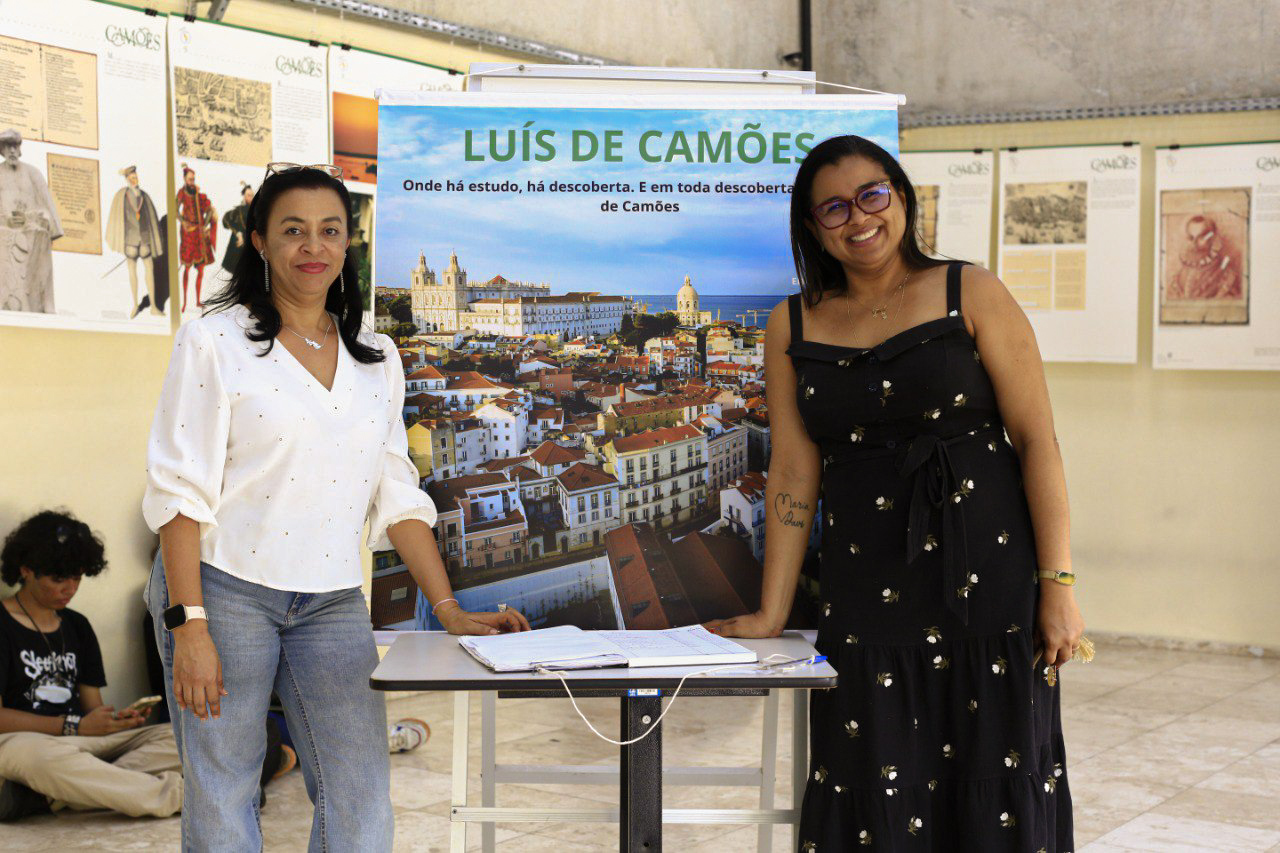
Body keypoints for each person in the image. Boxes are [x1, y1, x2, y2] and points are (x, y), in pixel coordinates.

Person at [705, 135, 1084, 850]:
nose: (859, 218)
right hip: (864, 590)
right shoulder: (792, 322)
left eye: (872, 194)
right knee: (870, 783)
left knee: (995, 780)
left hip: (986, 586)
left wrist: (1058, 582)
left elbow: (1038, 441)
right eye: (834, 207)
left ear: (901, 197)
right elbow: (791, 471)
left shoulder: (969, 289)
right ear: (812, 225)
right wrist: (770, 611)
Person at [143, 162, 530, 852]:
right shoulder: (215, 340)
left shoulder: (377, 356)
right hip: (222, 592)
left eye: (330, 231)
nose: (312, 246)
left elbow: (396, 492)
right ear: (260, 240)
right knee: (226, 790)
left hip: (330, 601)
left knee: (360, 799)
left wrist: (447, 607)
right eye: (293, 230)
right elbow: (179, 492)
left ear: (348, 244)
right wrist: (188, 624)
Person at [0, 510, 182, 821]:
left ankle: (50, 795)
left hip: (84, 745)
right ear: (27, 570)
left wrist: (113, 722)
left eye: (77, 577)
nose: (69, 589)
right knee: (34, 757)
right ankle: (179, 797)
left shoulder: (76, 625)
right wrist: (73, 727)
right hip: (26, 745)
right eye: (58, 579)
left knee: (180, 738)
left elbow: (91, 708)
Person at [0, 128, 63, 313]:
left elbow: (48, 211)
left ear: (19, 149)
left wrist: (33, 217)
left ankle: (36, 304)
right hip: (4, 231)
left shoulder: (33, 173)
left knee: (39, 235)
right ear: (2, 150)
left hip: (31, 230)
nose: (12, 150)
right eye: (7, 146)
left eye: (14, 146)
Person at [106, 165, 164, 318]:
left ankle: (153, 306)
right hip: (130, 241)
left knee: (149, 271)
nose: (134, 179)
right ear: (126, 179)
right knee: (132, 272)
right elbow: (118, 218)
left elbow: (151, 219)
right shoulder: (122, 196)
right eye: (131, 178)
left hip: (144, 240)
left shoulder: (144, 196)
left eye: (135, 177)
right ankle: (134, 305)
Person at [175, 162, 216, 313]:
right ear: (185, 179)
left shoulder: (199, 195)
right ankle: (185, 302)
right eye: (190, 179)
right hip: (187, 234)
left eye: (193, 179)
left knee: (200, 270)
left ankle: (198, 300)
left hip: (199, 234)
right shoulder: (181, 193)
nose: (192, 181)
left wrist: (205, 224)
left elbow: (210, 209)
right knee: (186, 269)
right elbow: (175, 210)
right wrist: (183, 222)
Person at [219, 181, 254, 277]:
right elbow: (226, 220)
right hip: (238, 247)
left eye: (252, 195)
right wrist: (238, 233)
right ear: (244, 196)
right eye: (248, 195)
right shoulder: (238, 211)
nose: (251, 197)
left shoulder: (257, 211)